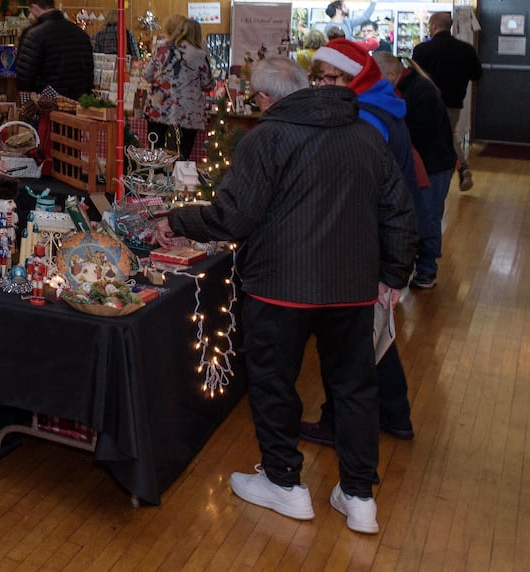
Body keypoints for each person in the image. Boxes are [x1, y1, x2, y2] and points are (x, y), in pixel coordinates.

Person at [151, 57, 414, 535]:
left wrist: (177, 219)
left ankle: (284, 484)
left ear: (268, 99)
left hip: (280, 287)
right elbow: (397, 209)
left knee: (275, 384)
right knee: (355, 390)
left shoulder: (266, 138)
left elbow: (233, 218)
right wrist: (394, 275)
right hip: (352, 289)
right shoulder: (365, 136)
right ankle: (359, 497)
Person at [299, 39, 422, 446]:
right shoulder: (380, 105)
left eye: (329, 78)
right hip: (378, 236)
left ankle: (340, 424)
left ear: (352, 78)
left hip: (363, 238)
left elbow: (356, 184)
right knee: (371, 335)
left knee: (347, 343)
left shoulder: (366, 117)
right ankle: (395, 413)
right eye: (316, 80)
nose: (322, 86)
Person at [374, 51, 455, 289]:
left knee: (427, 217)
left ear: (390, 74)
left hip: (433, 165)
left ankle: (427, 269)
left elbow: (421, 132)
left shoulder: (421, 90)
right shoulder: (412, 86)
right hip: (422, 163)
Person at [410, 11, 482, 191]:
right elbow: (477, 74)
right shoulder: (466, 49)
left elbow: (413, 77)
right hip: (454, 102)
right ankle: (456, 169)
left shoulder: (422, 50)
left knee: (439, 137)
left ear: (433, 26)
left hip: (427, 103)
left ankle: (454, 169)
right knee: (449, 135)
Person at [141, 15, 214, 159]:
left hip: (158, 109)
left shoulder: (161, 48)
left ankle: (156, 180)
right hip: (187, 113)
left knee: (156, 155)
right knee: (181, 157)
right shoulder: (200, 55)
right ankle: (177, 181)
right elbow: (208, 84)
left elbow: (147, 75)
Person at [13, 0, 94, 100]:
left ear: (34, 8)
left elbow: (24, 76)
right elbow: (89, 72)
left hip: (47, 103)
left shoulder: (34, 34)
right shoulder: (80, 33)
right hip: (78, 102)